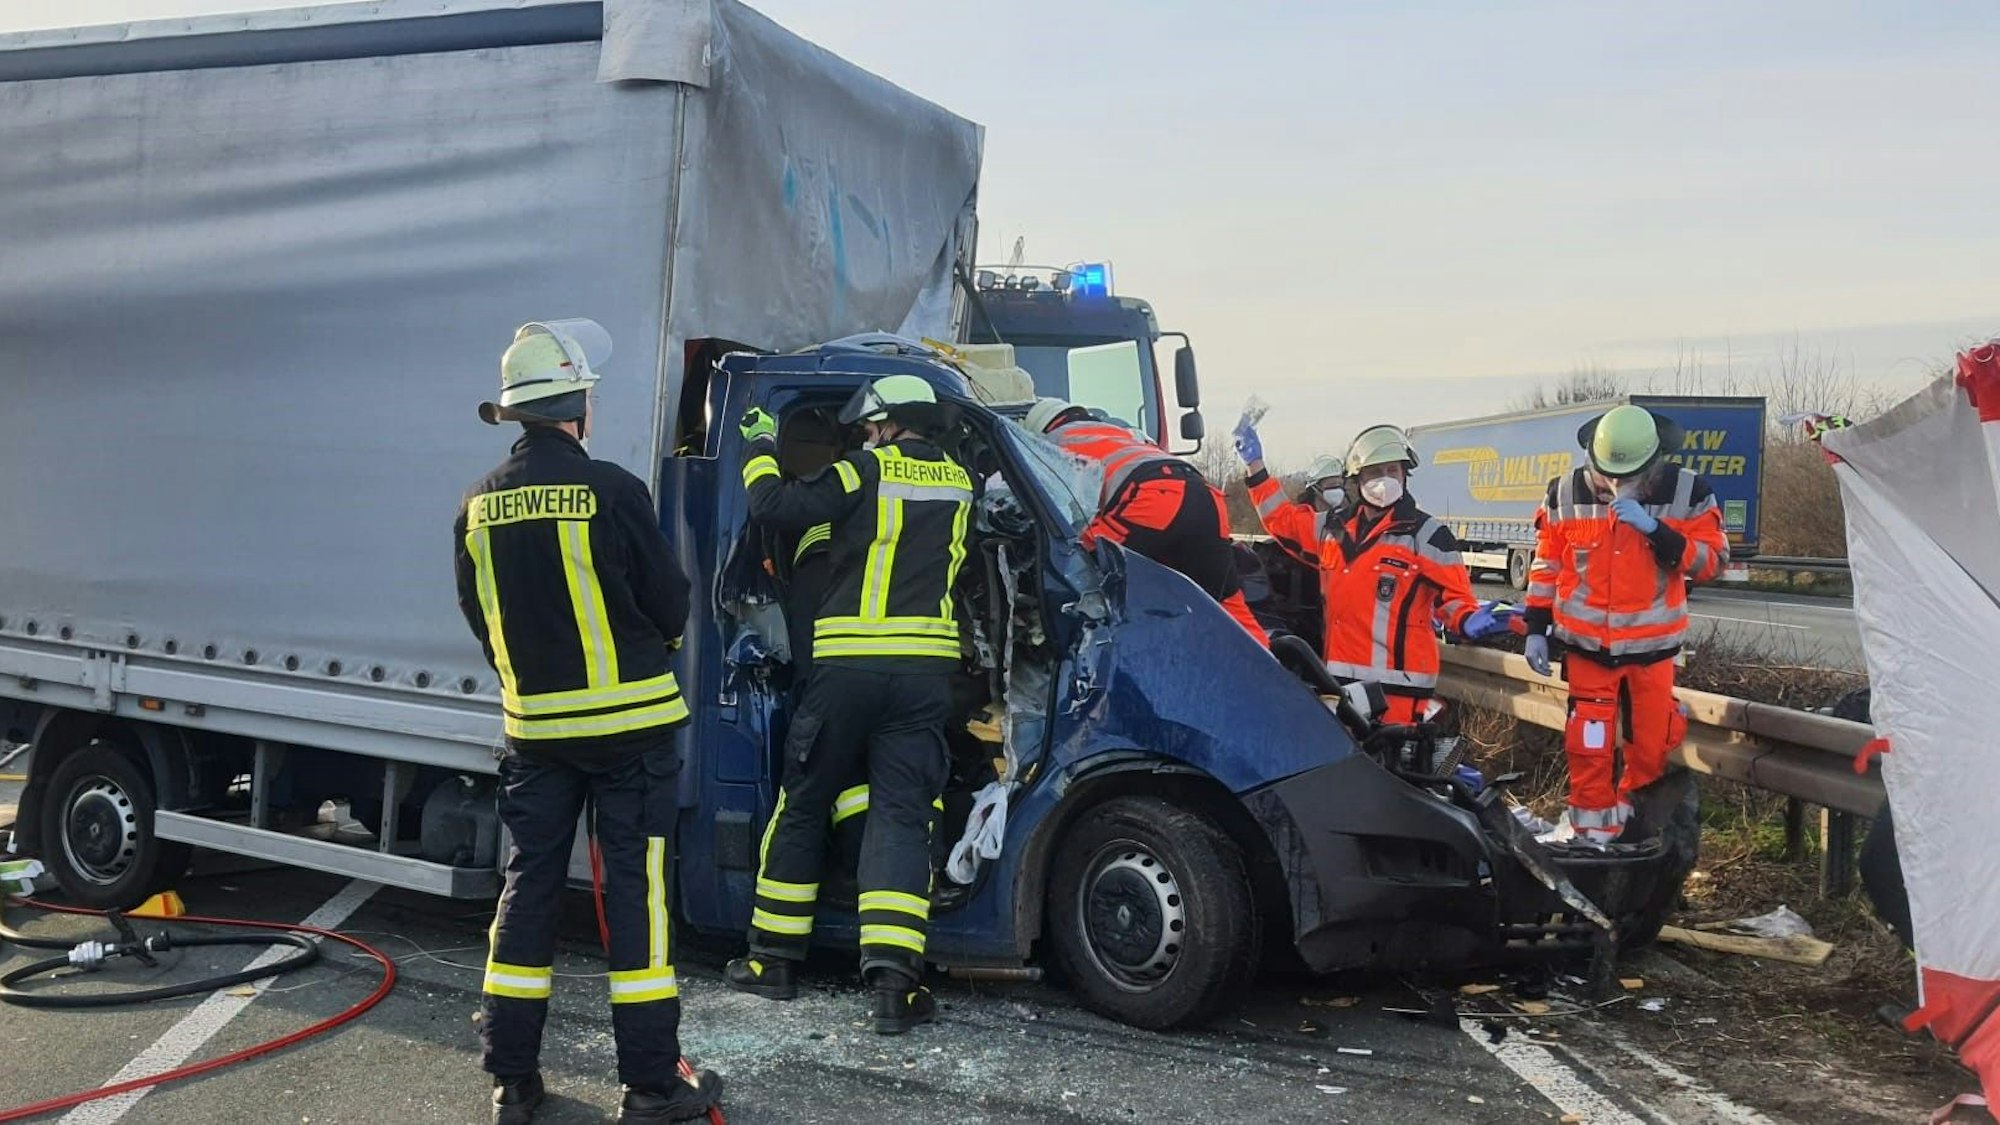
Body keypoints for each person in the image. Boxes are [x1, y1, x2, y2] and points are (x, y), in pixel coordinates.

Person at [453, 320, 722, 1125]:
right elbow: (669, 602)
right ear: (576, 405)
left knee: (527, 888)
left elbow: (481, 615)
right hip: (632, 734)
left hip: (534, 736)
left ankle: (512, 1079)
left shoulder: (477, 505)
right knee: (636, 897)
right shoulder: (612, 490)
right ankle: (650, 1085)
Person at [723, 373, 971, 1035]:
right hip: (922, 677)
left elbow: (774, 505)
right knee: (900, 812)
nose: (865, 434)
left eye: (868, 425)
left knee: (803, 801)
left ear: (888, 422)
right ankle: (894, 986)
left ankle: (771, 961)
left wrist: (759, 447)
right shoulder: (960, 482)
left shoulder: (863, 469)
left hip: (847, 669)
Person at [1521, 404, 1729, 844]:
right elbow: (1547, 566)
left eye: (1627, 476)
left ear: (1655, 460)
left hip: (1651, 655)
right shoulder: (1564, 494)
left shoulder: (1688, 494)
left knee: (1650, 751)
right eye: (1608, 475)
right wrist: (1535, 628)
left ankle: (1641, 841)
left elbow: (1713, 562)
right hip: (1587, 652)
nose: (1616, 486)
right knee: (1588, 750)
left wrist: (1658, 531)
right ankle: (1591, 841)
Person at [1237, 421, 1511, 722]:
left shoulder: (1427, 535)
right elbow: (1282, 520)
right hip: (1341, 689)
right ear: (1358, 479)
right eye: (1374, 473)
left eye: (1392, 470)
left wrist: (1467, 620)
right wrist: (1256, 468)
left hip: (1401, 696)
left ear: (1405, 473)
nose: (1384, 480)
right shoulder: (1333, 528)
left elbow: (1454, 599)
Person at [1022, 398, 1269, 647]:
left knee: (1080, 574)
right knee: (1227, 603)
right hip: (1204, 498)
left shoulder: (1047, 444)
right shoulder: (1121, 432)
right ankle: (1271, 671)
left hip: (1150, 500)